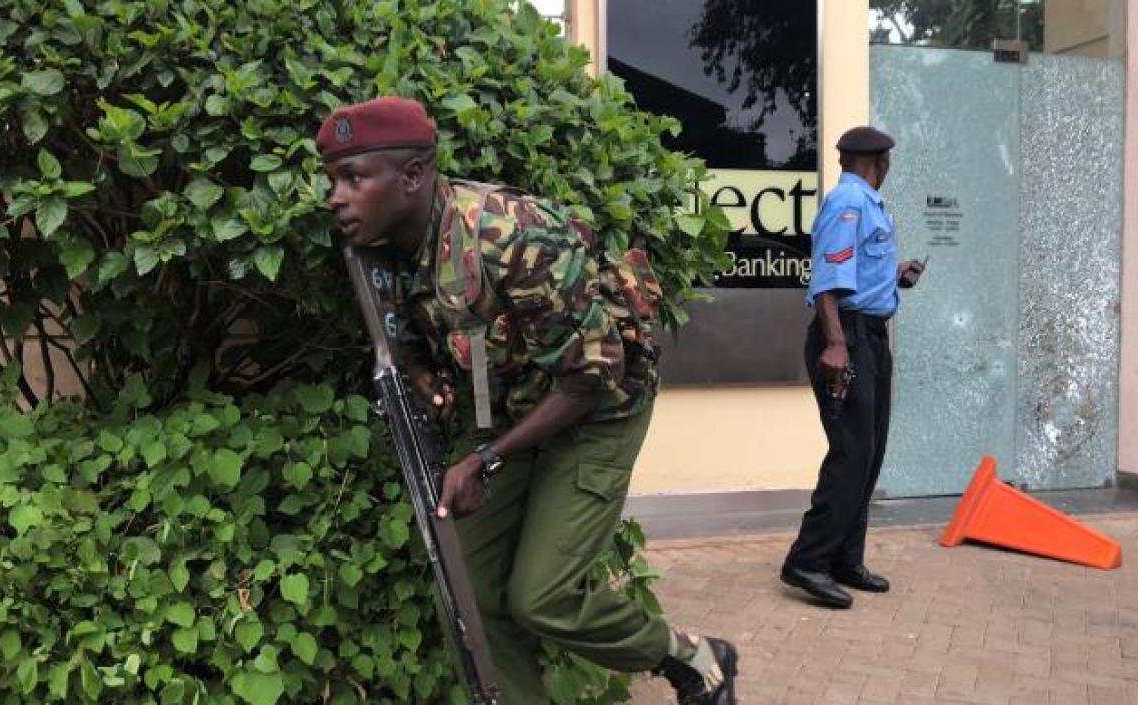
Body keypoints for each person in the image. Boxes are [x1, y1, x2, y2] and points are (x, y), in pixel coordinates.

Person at [317, 96, 738, 704]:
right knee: (469, 589)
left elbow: (592, 375)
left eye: (353, 179)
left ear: (412, 176)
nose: (336, 196)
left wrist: (484, 461)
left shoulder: (512, 235)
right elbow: (411, 335)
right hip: (511, 406)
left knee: (543, 596)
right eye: (334, 179)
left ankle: (696, 658)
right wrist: (420, 373)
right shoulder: (385, 249)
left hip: (598, 406)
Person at [779, 126, 925, 610]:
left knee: (870, 452)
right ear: (878, 161)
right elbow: (826, 280)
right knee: (851, 453)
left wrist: (894, 274)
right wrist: (838, 344)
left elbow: (857, 271)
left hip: (870, 336)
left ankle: (844, 558)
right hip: (848, 339)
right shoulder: (848, 205)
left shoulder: (867, 205)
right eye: (887, 161)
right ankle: (807, 561)